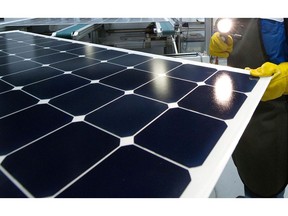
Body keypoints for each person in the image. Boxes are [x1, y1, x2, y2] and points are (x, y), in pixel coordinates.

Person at [210, 18, 288, 198]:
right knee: (250, 171)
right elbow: (228, 25)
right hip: (241, 112)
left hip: (273, 117)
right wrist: (222, 39)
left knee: (266, 186)